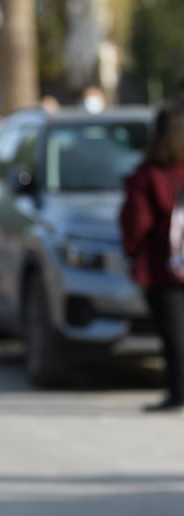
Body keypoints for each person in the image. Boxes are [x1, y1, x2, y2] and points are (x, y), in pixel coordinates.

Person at [120, 101, 184, 412]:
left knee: (174, 335)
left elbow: (136, 223)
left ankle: (178, 392)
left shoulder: (151, 176)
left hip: (164, 268)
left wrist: (134, 255)